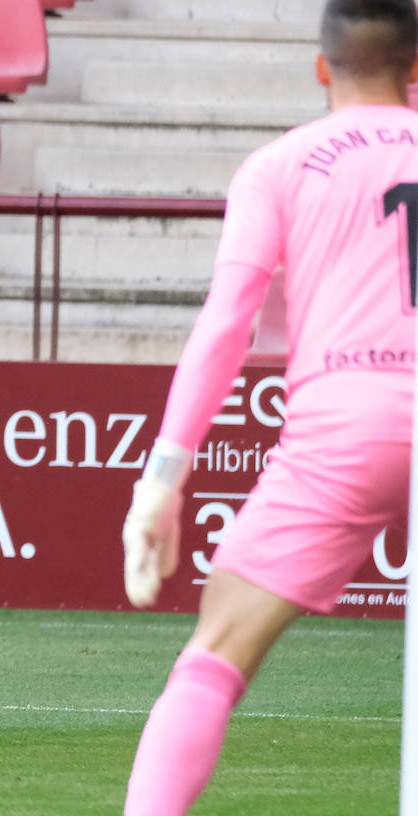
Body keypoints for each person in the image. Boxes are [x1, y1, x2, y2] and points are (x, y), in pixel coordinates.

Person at [120, 1, 417, 811]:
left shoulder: (279, 165)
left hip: (345, 428)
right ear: (416, 66)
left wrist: (163, 481)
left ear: (322, 67)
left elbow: (227, 324)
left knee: (211, 664)